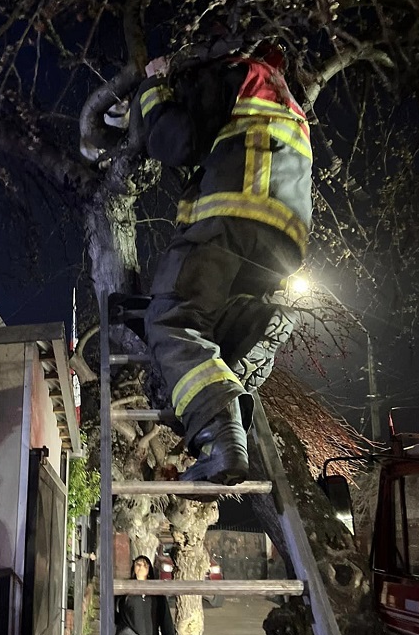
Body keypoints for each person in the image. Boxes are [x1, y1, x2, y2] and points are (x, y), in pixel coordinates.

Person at [133, 40, 312, 485]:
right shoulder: (277, 94)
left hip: (234, 215)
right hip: (282, 239)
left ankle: (221, 434)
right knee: (213, 320)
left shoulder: (228, 72)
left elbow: (177, 142)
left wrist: (153, 89)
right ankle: (252, 319)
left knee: (174, 318)